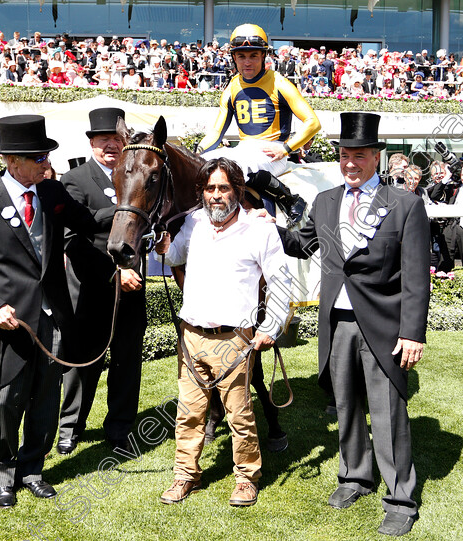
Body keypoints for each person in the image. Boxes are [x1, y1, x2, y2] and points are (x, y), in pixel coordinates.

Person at [278, 112, 429, 537]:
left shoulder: (404, 204)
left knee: (387, 413)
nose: (350, 163)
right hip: (337, 322)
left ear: (376, 158)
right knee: (345, 406)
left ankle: (400, 498)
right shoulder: (325, 200)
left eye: (358, 156)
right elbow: (300, 244)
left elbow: (416, 275)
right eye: (344, 155)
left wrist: (412, 333)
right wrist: (263, 216)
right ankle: (355, 477)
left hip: (383, 324)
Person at [0, 114, 106, 509]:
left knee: (44, 398)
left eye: (46, 156)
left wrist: (138, 209)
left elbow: (91, 222)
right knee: (6, 399)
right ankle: (2, 473)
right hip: (10, 319)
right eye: (38, 157)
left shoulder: (53, 194)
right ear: (12, 161)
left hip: (54, 315)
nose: (45, 163)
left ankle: (33, 469)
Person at [154, 157, 291, 508]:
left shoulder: (260, 230)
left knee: (239, 415)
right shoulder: (195, 223)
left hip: (235, 340)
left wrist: (269, 328)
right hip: (191, 336)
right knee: (189, 413)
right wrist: (164, 246)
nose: (216, 195)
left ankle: (246, 478)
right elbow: (174, 257)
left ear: (237, 190)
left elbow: (281, 282)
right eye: (210, 189)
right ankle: (185, 475)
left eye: (223, 188)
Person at [56, 108, 147, 455]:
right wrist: (114, 272)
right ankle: (70, 427)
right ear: (92, 143)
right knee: (83, 364)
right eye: (102, 139)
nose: (110, 145)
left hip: (133, 286)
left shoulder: (136, 176)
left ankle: (120, 428)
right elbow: (71, 240)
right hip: (92, 290)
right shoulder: (75, 180)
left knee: (127, 361)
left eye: (116, 139)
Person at [198, 24, 320, 180]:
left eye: (253, 56)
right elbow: (217, 132)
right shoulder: (231, 87)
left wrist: (285, 149)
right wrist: (197, 152)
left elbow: (313, 122)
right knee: (200, 165)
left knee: (231, 169)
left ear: (263, 56)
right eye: (241, 56)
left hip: (273, 153)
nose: (247, 62)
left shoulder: (280, 83)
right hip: (243, 150)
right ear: (234, 58)